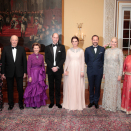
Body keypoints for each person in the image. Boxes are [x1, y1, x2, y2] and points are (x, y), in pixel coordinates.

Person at [1, 35, 27, 110]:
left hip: (20, 72)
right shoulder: (5, 49)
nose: (14, 41)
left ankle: (20, 103)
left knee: (20, 89)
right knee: (10, 89)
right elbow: (2, 61)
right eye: (13, 40)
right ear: (10, 40)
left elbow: (24, 62)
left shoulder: (22, 49)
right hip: (9, 72)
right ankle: (10, 104)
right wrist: (2, 73)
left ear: (18, 41)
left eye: (16, 40)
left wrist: (25, 72)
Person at [63, 36, 86, 110]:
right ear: (71, 42)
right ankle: (70, 103)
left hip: (79, 70)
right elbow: (67, 61)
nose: (74, 42)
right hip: (71, 70)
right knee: (71, 85)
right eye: (73, 41)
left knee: (77, 85)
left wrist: (82, 71)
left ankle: (77, 103)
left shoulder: (81, 51)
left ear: (78, 42)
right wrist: (65, 70)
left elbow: (82, 62)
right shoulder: (69, 51)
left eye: (76, 41)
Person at [24, 43, 48, 109]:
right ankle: (33, 103)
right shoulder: (30, 56)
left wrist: (43, 75)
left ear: (39, 49)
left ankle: (39, 103)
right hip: (33, 74)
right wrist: (29, 76)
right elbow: (28, 67)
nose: (36, 49)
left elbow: (43, 66)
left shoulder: (41, 56)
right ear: (33, 49)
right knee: (33, 88)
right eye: (35, 48)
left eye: (37, 48)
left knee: (39, 88)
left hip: (39, 74)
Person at [102, 37, 123, 112]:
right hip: (108, 72)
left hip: (115, 73)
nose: (113, 43)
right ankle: (107, 105)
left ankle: (114, 106)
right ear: (110, 42)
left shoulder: (119, 51)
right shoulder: (107, 51)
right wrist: (104, 73)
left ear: (117, 43)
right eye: (112, 41)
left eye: (115, 42)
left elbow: (121, 64)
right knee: (108, 89)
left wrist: (120, 74)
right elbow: (105, 62)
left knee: (114, 89)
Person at [45, 33, 66, 108]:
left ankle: (57, 102)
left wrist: (57, 67)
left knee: (58, 87)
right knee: (51, 87)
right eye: (54, 37)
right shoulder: (47, 47)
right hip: (50, 70)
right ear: (52, 37)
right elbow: (46, 59)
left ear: (58, 38)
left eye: (57, 37)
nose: (55, 39)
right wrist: (52, 67)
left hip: (58, 70)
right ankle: (51, 102)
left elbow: (63, 58)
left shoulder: (62, 47)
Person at [85, 35, 105, 109]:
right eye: (94, 40)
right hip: (90, 71)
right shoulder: (87, 49)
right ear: (91, 40)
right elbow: (86, 60)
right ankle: (91, 101)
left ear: (98, 40)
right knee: (91, 86)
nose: (95, 41)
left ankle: (96, 101)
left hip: (99, 71)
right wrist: (91, 65)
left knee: (97, 86)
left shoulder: (102, 49)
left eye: (96, 40)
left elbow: (103, 60)